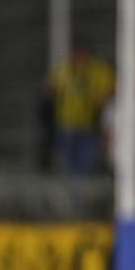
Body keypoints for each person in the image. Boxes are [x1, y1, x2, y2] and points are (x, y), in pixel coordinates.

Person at [47, 46, 114, 175]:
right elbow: (50, 89)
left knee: (87, 164)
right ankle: (71, 192)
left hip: (89, 125)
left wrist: (96, 97)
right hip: (66, 124)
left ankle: (84, 192)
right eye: (75, 54)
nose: (77, 58)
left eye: (80, 54)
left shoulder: (98, 71)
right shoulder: (63, 70)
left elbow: (107, 92)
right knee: (67, 164)